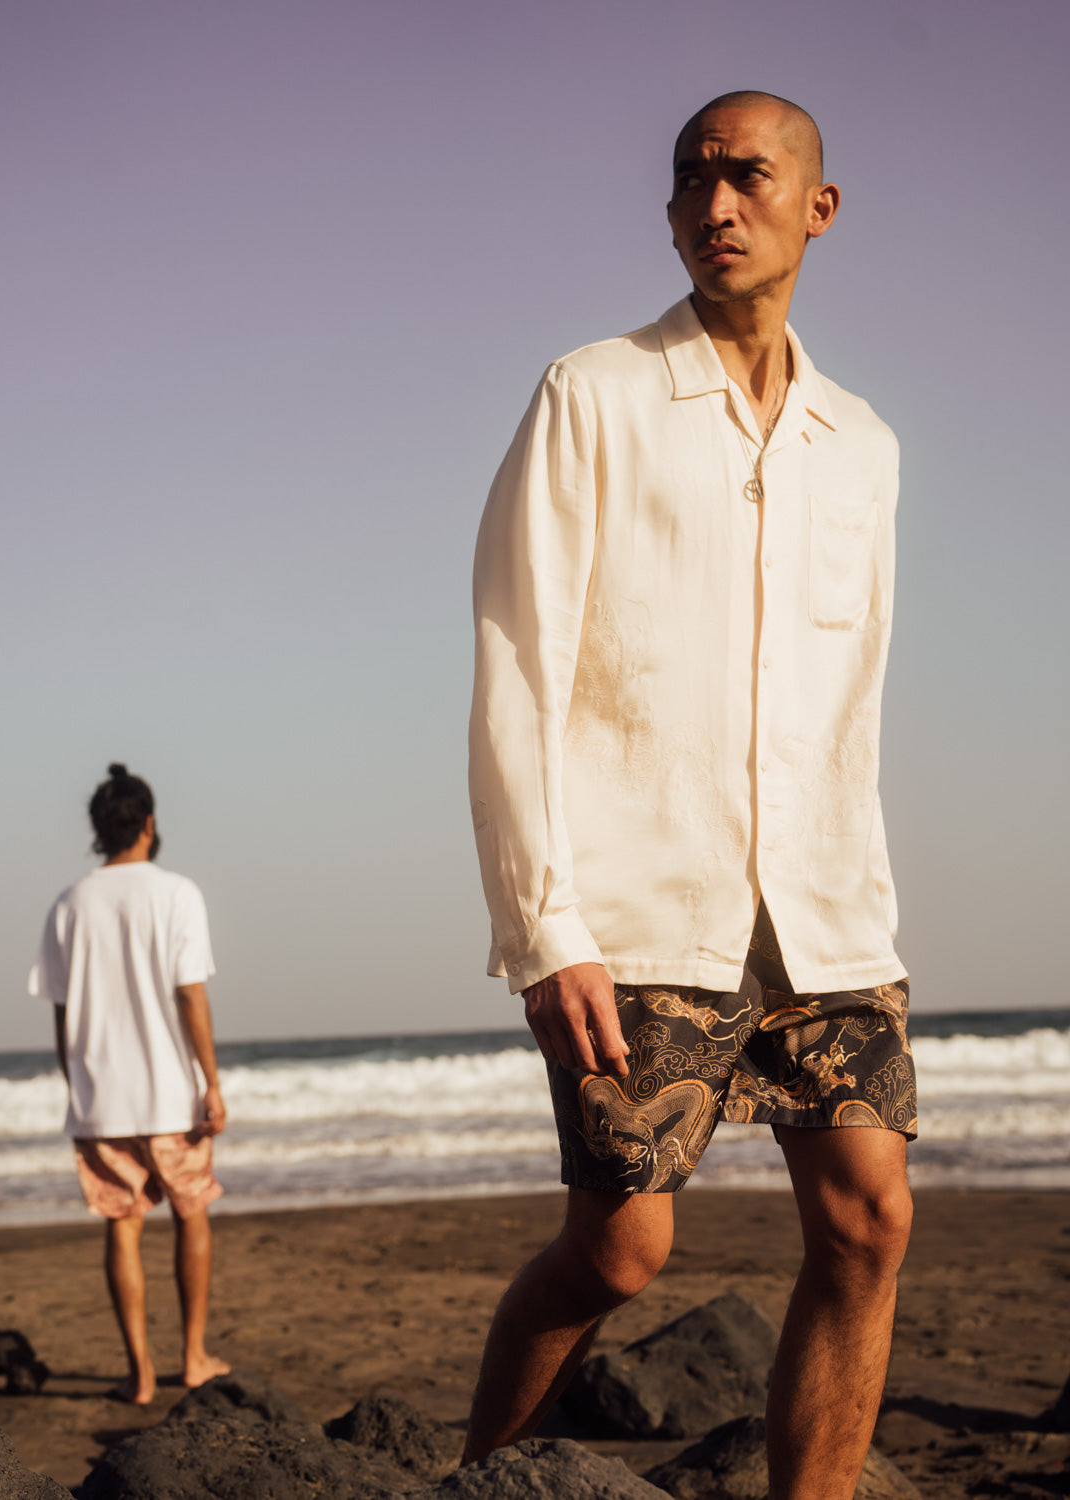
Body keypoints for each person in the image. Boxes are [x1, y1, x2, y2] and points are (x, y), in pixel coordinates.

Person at [465, 91, 918, 1497]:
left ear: (817, 209)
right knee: (622, 1250)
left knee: (870, 1224)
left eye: (749, 177)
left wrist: (868, 907)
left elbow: (852, 702)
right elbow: (517, 664)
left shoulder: (864, 443)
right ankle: (486, 1479)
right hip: (643, 906)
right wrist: (545, 928)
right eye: (692, 179)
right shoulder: (593, 394)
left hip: (828, 915)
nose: (717, 204)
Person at [29, 763, 231, 1404]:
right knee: (191, 1213)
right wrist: (211, 1081)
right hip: (172, 1095)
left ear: (98, 830)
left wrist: (75, 1082)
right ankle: (192, 1356)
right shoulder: (176, 893)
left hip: (101, 1097)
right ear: (149, 823)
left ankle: (140, 1373)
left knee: (123, 1225)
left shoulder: (69, 903)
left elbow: (62, 1012)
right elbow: (190, 994)